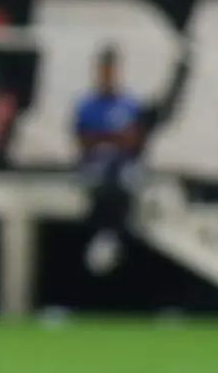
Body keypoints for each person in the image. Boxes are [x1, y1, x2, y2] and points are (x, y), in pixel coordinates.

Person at [73, 46, 142, 276]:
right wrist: (113, 137)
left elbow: (132, 142)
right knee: (100, 171)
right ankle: (103, 232)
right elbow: (85, 142)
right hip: (96, 165)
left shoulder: (129, 104)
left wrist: (104, 137)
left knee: (125, 175)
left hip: (121, 166)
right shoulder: (87, 105)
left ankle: (112, 233)